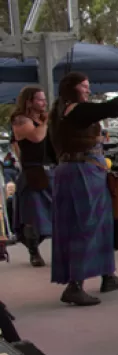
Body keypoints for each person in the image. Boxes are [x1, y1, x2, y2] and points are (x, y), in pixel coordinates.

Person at [48, 72, 118, 306]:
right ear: (73, 89)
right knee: (84, 226)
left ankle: (107, 274)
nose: (88, 90)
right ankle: (75, 285)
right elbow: (111, 107)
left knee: (100, 223)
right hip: (82, 172)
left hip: (79, 171)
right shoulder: (74, 110)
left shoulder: (60, 114)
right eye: (84, 87)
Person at [10, 86, 52, 267]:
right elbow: (36, 137)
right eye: (40, 99)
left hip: (50, 170)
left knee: (54, 214)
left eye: (44, 99)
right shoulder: (20, 119)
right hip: (33, 172)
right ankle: (34, 252)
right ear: (29, 102)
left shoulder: (41, 119)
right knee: (33, 217)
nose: (44, 102)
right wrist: (46, 123)